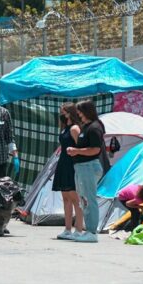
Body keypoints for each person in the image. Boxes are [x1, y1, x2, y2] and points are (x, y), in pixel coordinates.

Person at [67, 100, 105, 243]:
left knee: (89, 199)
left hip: (89, 166)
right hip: (82, 167)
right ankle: (88, 229)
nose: (78, 114)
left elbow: (96, 149)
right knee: (84, 199)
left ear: (86, 111)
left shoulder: (95, 127)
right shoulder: (86, 126)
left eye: (80, 111)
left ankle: (92, 231)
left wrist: (76, 150)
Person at [52, 103, 83, 240]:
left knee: (75, 198)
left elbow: (80, 147)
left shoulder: (75, 128)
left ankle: (79, 229)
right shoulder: (64, 129)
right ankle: (67, 229)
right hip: (63, 163)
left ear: (70, 113)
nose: (62, 115)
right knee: (65, 198)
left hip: (72, 164)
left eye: (63, 112)